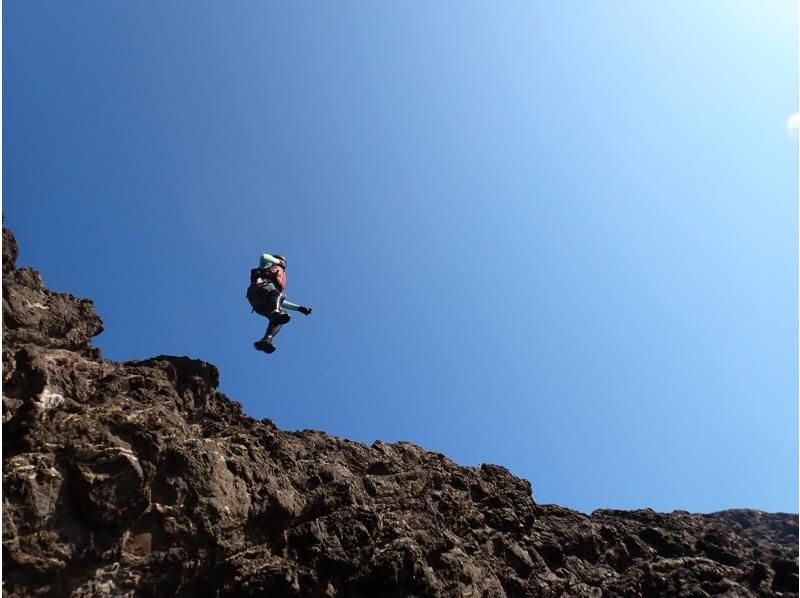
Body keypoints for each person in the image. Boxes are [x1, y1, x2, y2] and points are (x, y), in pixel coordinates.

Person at [246, 253, 312, 353]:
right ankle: (275, 312)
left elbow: (278, 300)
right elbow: (263, 256)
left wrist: (299, 308)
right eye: (284, 261)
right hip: (259, 289)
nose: (285, 264)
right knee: (278, 300)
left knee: (279, 318)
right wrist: (277, 261)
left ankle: (267, 339)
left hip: (258, 304)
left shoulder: (274, 293)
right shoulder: (268, 264)